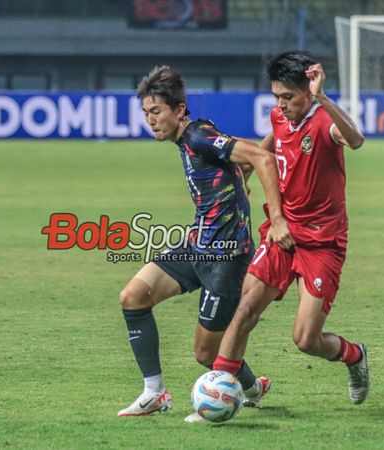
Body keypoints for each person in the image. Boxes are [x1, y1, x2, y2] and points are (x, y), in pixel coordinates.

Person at [117, 65, 291, 420]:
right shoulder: (190, 139)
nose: (150, 120)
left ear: (179, 110)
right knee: (133, 297)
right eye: (146, 113)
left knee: (204, 353)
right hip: (197, 246)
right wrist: (238, 175)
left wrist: (276, 220)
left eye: (156, 111)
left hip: (226, 259)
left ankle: (242, 392)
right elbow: (242, 160)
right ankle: (154, 393)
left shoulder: (198, 136)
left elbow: (263, 157)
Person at [211, 51, 370, 407]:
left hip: (323, 242)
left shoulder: (323, 123)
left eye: (289, 97)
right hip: (281, 232)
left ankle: (354, 356)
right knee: (246, 308)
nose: (281, 105)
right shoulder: (279, 116)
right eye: (277, 97)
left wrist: (323, 99)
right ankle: (220, 390)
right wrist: (250, 167)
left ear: (308, 93)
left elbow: (356, 140)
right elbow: (275, 139)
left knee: (305, 339)